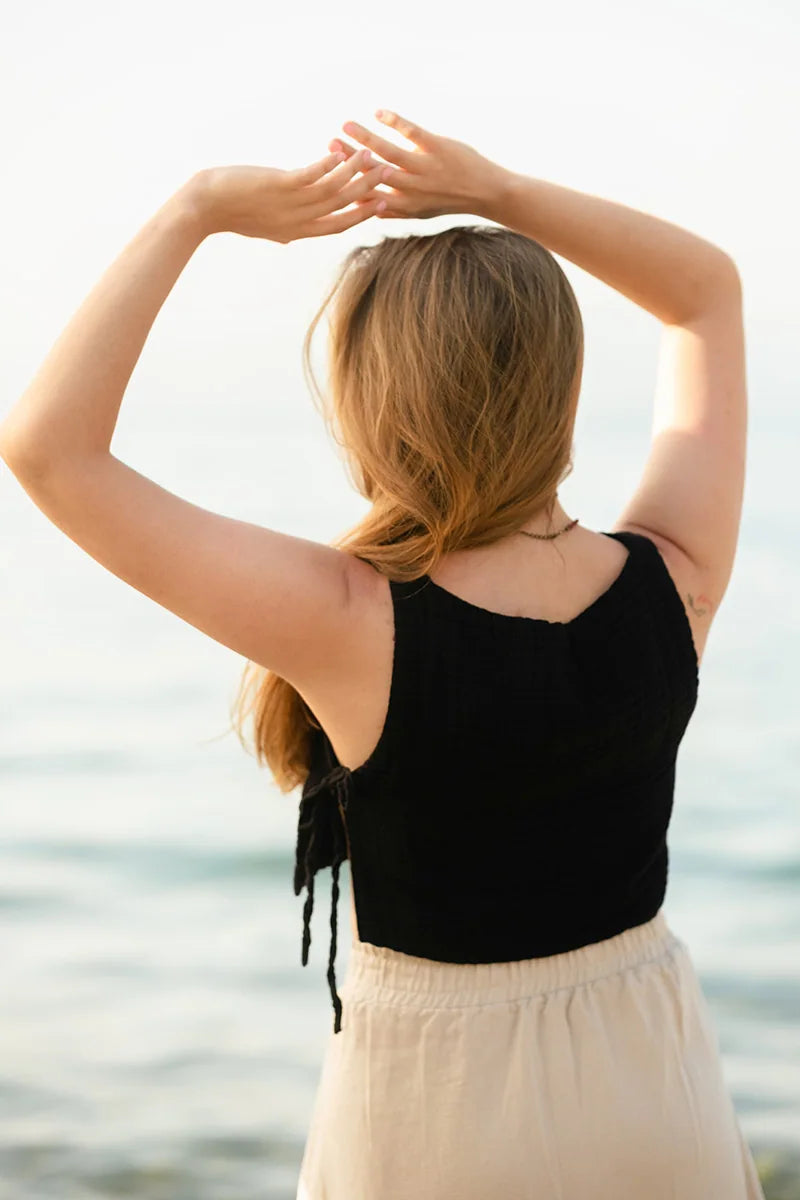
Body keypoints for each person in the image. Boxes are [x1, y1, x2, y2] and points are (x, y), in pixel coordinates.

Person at [0, 110, 760, 1198]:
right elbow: (703, 291)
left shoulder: (354, 621)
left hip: (443, 1108)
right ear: (560, 383)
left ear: (370, 402)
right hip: (654, 1075)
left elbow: (47, 448)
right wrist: (496, 192)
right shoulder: (672, 577)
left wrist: (196, 210)